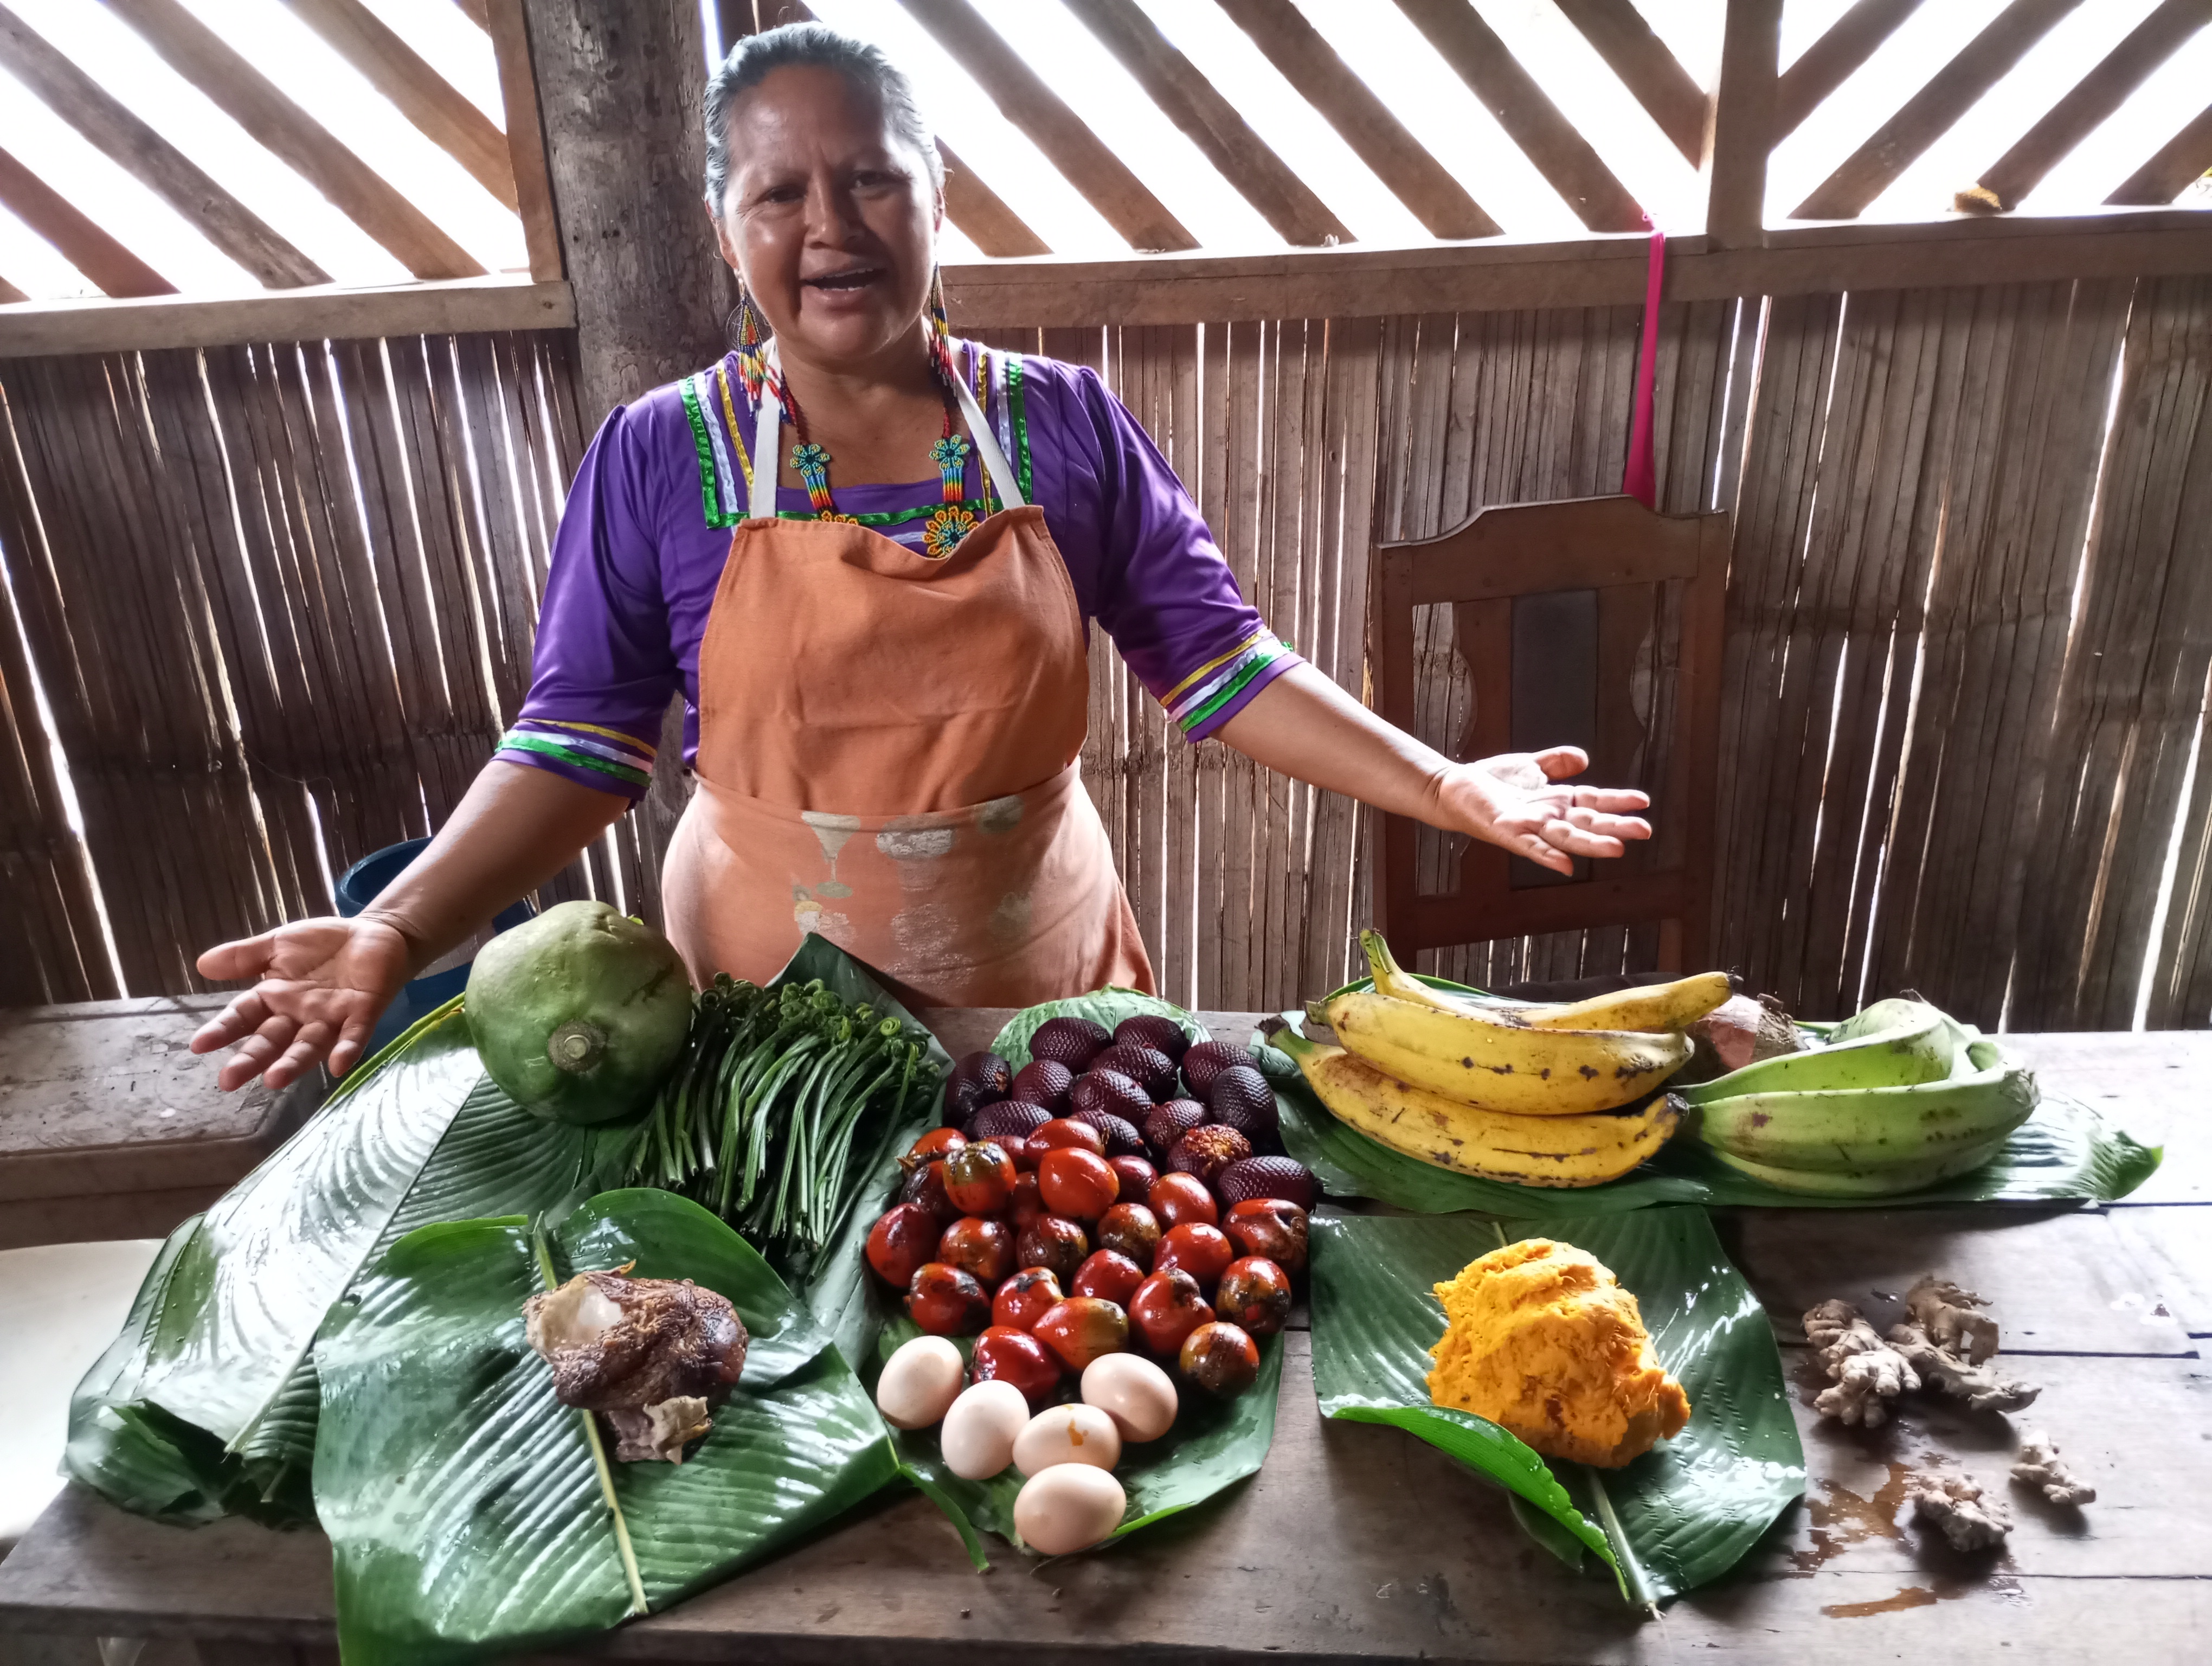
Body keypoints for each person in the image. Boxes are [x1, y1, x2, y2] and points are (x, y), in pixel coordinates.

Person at [190, 22, 1651, 1093]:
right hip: (766, 1016)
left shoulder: (1059, 423)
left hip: (1041, 987)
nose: (831, 226)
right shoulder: (658, 454)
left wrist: (1442, 782)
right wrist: (396, 928)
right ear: (724, 229)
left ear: (937, 200)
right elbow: (579, 743)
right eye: (778, 194)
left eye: (873, 180)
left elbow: (1216, 665)